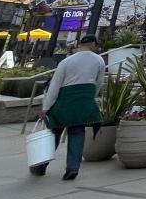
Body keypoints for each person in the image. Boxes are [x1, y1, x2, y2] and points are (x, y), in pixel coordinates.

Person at [32, 34, 105, 180]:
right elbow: (99, 83)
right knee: (77, 132)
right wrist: (90, 98)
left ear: (79, 44)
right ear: (93, 44)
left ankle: (41, 164)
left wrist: (46, 107)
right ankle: (73, 167)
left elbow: (55, 85)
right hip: (84, 99)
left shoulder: (67, 61)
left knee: (54, 132)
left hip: (65, 99)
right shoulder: (99, 60)